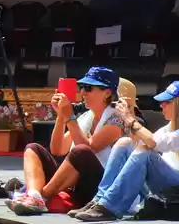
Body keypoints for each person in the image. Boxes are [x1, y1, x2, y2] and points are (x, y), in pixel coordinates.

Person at [7, 67, 126, 216]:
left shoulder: (117, 119)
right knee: (33, 148)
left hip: (100, 186)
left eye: (88, 88)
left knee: (81, 152)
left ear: (107, 93)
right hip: (78, 182)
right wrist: (62, 115)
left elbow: (87, 148)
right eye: (82, 87)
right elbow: (58, 150)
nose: (82, 92)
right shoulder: (86, 117)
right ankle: (33, 194)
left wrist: (70, 115)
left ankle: (39, 197)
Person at [73, 80, 179, 221]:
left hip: (175, 192)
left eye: (168, 102)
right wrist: (129, 114)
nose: (161, 105)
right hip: (165, 189)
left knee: (145, 152)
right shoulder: (167, 129)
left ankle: (109, 207)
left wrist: (129, 119)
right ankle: (99, 200)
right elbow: (141, 144)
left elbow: (153, 143)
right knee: (125, 143)